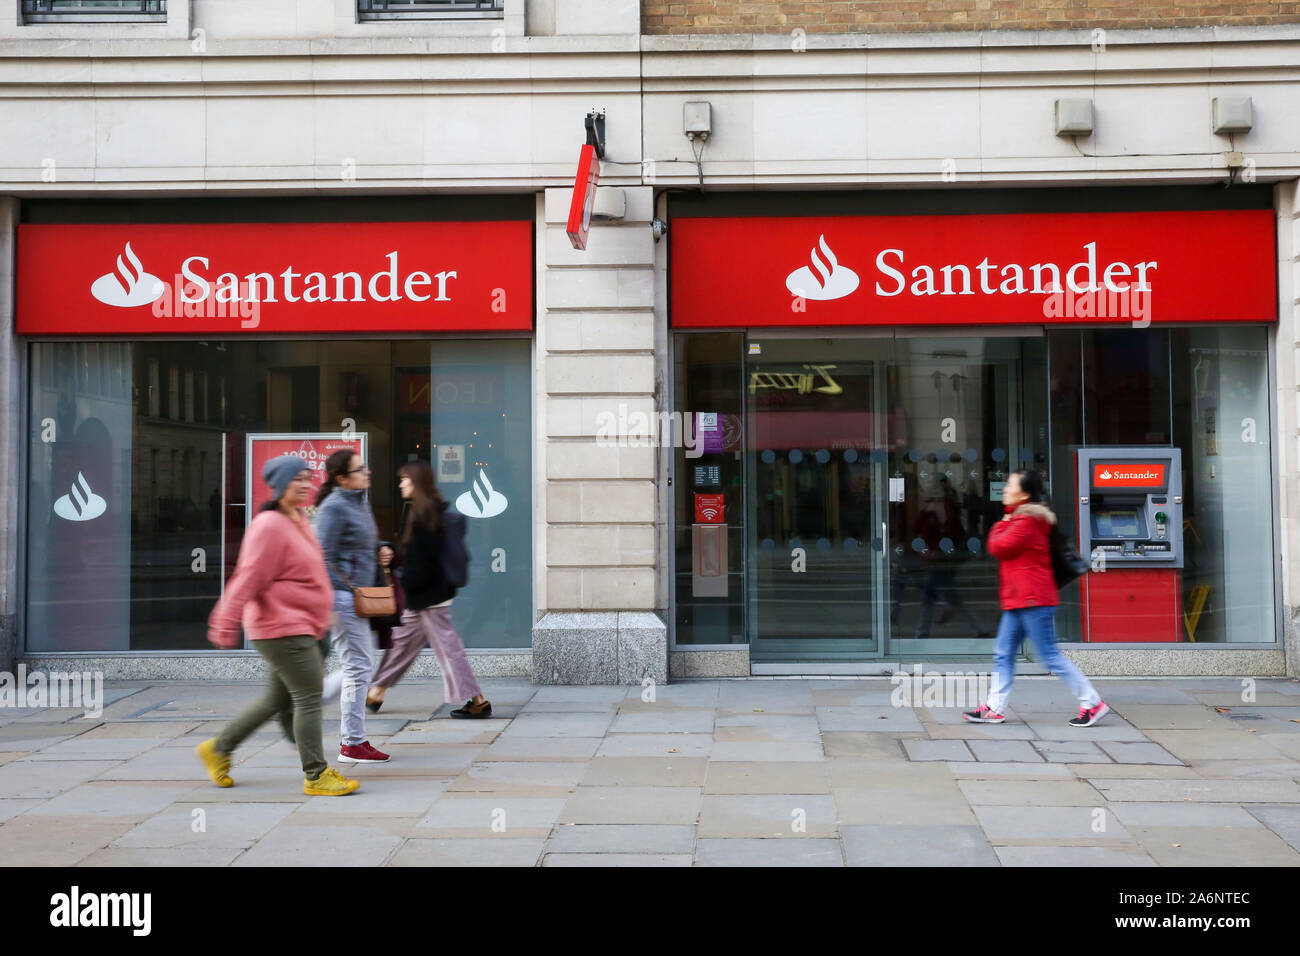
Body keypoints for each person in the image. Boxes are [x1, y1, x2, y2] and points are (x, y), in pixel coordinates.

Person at [197, 455, 360, 796]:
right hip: (281, 627)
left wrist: (322, 611)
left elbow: (309, 572)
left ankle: (219, 748)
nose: (304, 485)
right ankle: (316, 775)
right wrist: (225, 623)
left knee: (276, 699)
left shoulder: (298, 517)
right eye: (296, 479)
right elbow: (247, 578)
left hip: (301, 624)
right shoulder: (269, 525)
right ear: (280, 484)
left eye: (307, 478)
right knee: (309, 697)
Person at [964, 469, 1109, 727]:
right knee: (1004, 652)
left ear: (1024, 493)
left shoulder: (1027, 523)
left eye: (1010, 485)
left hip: (1034, 600)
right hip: (1019, 600)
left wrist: (1000, 524)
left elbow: (998, 545)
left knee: (1050, 656)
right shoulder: (1017, 519)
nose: (1006, 489)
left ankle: (1092, 702)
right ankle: (994, 708)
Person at [365, 459, 492, 718]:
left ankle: (478, 701)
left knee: (449, 650)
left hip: (429, 597)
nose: (400, 484)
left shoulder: (425, 516)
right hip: (425, 596)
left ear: (417, 483)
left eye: (405, 480)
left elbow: (423, 561)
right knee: (401, 644)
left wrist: (404, 581)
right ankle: (376, 691)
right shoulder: (428, 512)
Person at [314, 449, 390, 763]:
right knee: (359, 667)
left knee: (357, 665)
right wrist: (333, 597)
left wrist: (383, 549)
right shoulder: (332, 508)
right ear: (342, 478)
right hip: (343, 598)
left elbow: (367, 543)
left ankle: (303, 703)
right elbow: (321, 557)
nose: (367, 472)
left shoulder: (361, 502)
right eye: (359, 470)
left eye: (365, 467)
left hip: (360, 597)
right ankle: (352, 743)